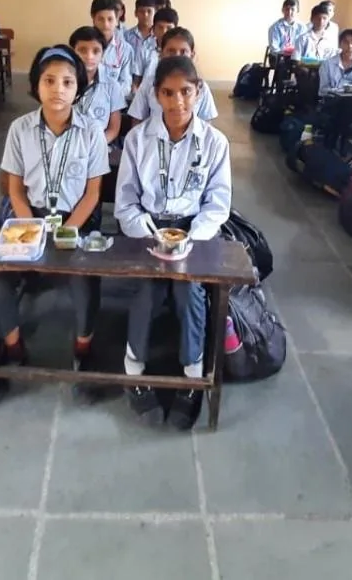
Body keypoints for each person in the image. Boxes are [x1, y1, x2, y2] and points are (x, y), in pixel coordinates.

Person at [116, 55, 232, 431]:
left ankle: (192, 376)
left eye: (186, 91)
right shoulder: (137, 139)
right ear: (156, 95)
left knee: (190, 293)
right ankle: (134, 370)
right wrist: (152, 235)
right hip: (147, 229)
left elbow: (217, 204)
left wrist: (189, 239)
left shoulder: (215, 142)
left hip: (194, 231)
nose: (177, 101)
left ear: (199, 92)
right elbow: (126, 202)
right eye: (168, 93)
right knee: (147, 290)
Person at [0, 46, 109, 374]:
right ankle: (12, 345)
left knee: (84, 277)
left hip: (75, 217)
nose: (58, 89)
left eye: (68, 82)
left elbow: (93, 193)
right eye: (49, 80)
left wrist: (68, 229)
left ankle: (83, 344)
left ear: (78, 89)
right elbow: (15, 189)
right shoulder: (20, 129)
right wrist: (33, 230)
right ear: (36, 86)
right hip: (28, 215)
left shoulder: (92, 131)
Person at [129, 28, 219, 124]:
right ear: (160, 54)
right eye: (171, 51)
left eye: (183, 52)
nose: (177, 56)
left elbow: (206, 122)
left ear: (192, 56)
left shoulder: (201, 86)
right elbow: (137, 119)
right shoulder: (149, 83)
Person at [69, 27, 126, 145]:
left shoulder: (112, 86)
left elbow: (113, 129)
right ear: (73, 52)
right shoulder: (65, 83)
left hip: (100, 145)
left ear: (103, 54)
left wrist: (96, 147)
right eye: (82, 50)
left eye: (96, 51)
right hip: (68, 144)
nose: (89, 56)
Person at [90, 0, 134, 88]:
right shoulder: (83, 45)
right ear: (93, 19)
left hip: (113, 101)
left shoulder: (125, 50)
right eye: (101, 19)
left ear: (117, 21)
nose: (106, 24)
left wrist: (106, 96)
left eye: (110, 19)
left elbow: (126, 84)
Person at [123, 0, 158, 72]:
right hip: (130, 78)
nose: (145, 15)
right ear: (135, 13)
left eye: (149, 11)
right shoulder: (126, 36)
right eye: (141, 11)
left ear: (155, 13)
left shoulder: (158, 37)